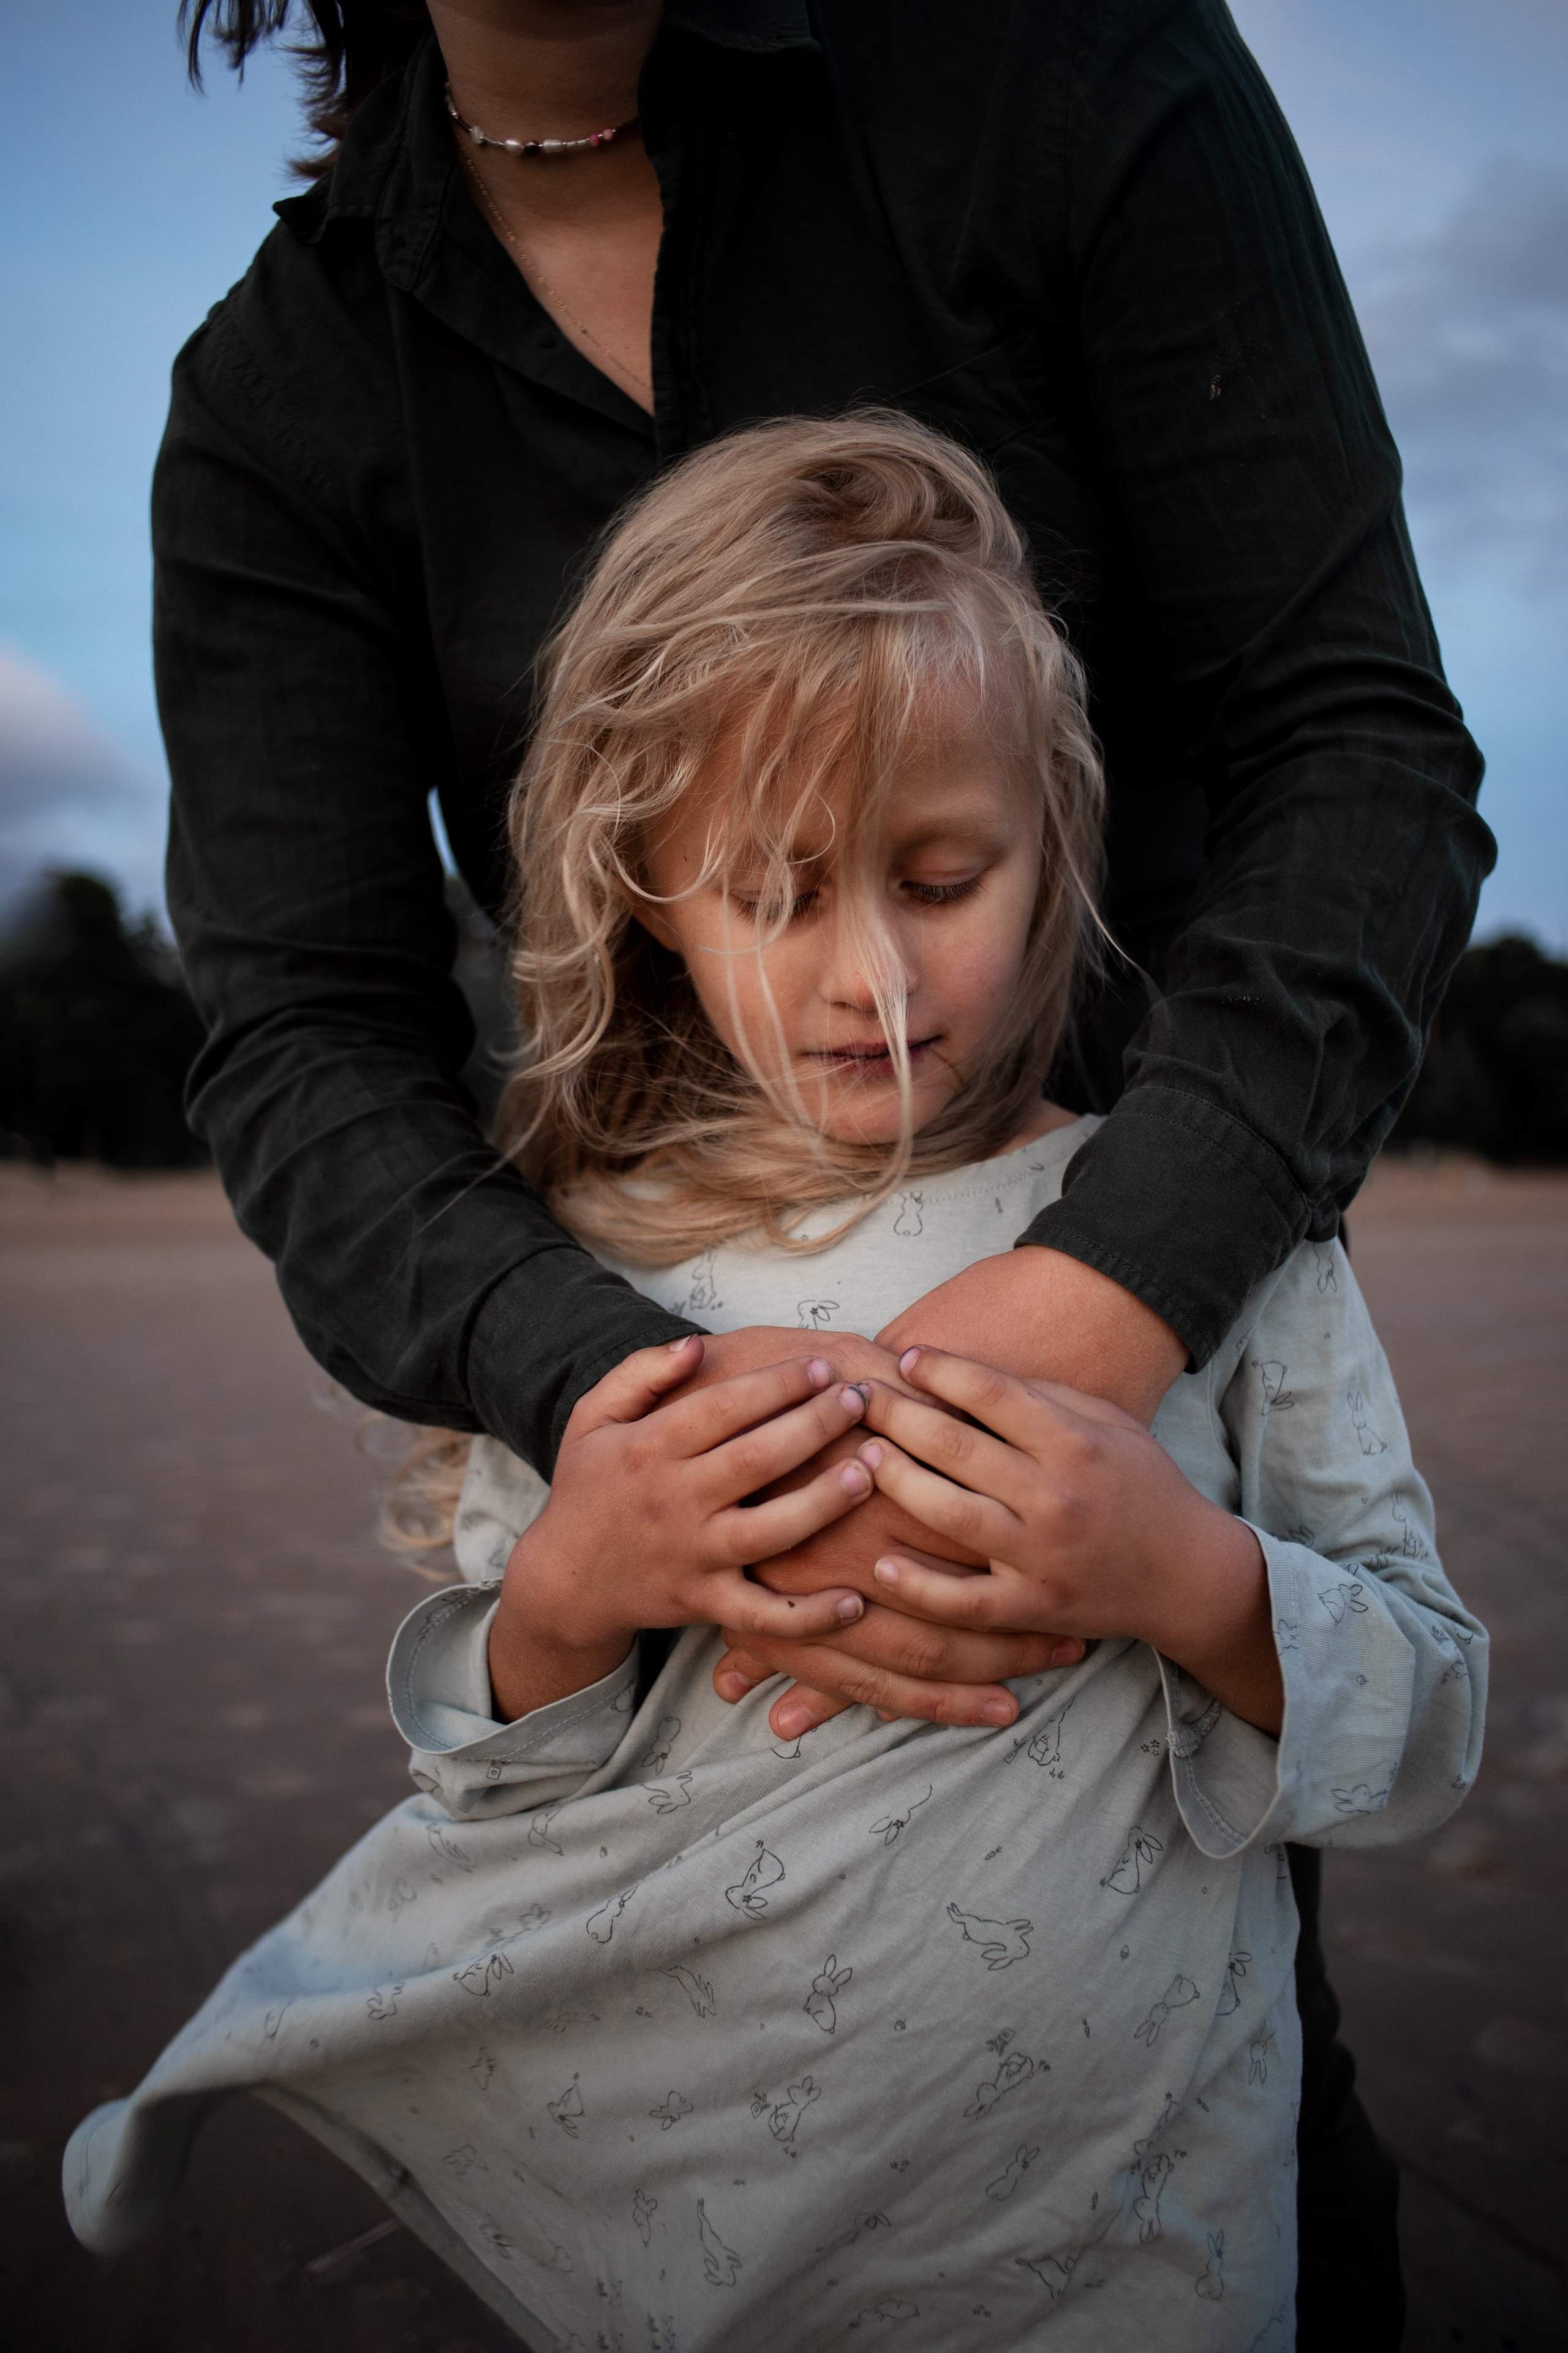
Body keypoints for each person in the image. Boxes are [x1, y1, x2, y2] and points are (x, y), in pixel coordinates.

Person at [159, 1, 1494, 2329]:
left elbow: (1353, 739)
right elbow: (497, 1713)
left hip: (1161, 2218)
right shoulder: (290, 399)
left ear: (1051, 843)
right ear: (644, 900)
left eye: (945, 869)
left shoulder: (1052, 74)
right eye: (776, 889)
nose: (874, 976)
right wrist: (612, 1457)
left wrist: (1164, 1510)